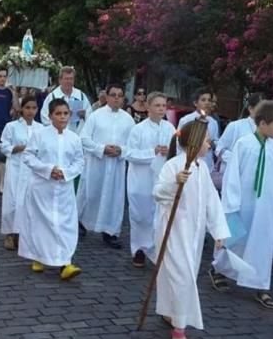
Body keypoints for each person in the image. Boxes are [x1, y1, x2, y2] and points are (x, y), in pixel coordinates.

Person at [153, 120, 230, 339]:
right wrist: (175, 182)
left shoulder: (202, 168)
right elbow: (157, 192)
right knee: (181, 278)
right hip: (173, 232)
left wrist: (218, 230)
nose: (210, 143)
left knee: (183, 277)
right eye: (207, 139)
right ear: (195, 144)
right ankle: (179, 330)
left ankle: (170, 311)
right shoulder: (173, 165)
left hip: (193, 235)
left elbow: (211, 202)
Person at [210, 100, 273, 309]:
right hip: (243, 203)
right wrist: (231, 205)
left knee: (262, 244)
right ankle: (219, 269)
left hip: (265, 206)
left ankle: (261, 285)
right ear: (262, 123)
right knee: (235, 240)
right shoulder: (244, 143)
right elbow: (232, 175)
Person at [16, 98, 85, 280]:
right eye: (58, 114)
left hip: (64, 188)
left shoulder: (74, 138)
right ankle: (38, 256)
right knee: (41, 222)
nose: (62, 117)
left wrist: (65, 173)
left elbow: (79, 161)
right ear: (50, 116)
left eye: (65, 113)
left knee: (65, 224)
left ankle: (65, 261)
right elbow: (29, 156)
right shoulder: (40, 135)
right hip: (42, 187)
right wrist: (47, 170)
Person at [76, 84, 136, 249]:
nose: (116, 98)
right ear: (107, 97)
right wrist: (102, 149)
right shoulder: (96, 116)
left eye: (120, 95)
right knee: (91, 194)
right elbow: (84, 138)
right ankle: (81, 222)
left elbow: (133, 144)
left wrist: (120, 150)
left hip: (116, 166)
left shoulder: (128, 120)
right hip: (97, 164)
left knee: (114, 199)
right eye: (113, 95)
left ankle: (110, 232)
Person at [125, 92, 176, 268]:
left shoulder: (170, 128)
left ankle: (156, 249)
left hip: (161, 178)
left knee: (158, 215)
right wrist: (152, 152)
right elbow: (129, 154)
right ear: (148, 107)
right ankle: (138, 249)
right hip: (141, 180)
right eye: (157, 105)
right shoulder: (138, 129)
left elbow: (175, 153)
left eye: (164, 105)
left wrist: (168, 151)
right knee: (141, 216)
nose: (161, 109)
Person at [0, 96, 43, 251]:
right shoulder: (11, 126)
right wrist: (17, 148)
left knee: (28, 201)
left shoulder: (41, 128)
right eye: (27, 108)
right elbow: (3, 145)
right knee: (12, 201)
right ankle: (10, 233)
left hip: (32, 171)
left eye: (34, 108)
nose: (30, 111)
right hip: (17, 167)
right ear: (22, 109)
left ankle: (23, 233)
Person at [216, 92, 264, 172]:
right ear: (250, 108)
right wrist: (236, 159)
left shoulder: (267, 130)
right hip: (233, 171)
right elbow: (219, 149)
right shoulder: (235, 126)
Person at [39, 66, 92, 134]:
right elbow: (44, 117)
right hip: (58, 135)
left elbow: (90, 116)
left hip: (78, 135)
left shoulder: (81, 95)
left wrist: (84, 115)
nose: (69, 81)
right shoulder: (52, 97)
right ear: (60, 80)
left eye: (71, 79)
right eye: (66, 79)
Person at [178, 89, 220, 172]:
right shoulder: (186, 120)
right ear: (195, 103)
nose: (207, 103)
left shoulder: (213, 122)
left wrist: (212, 143)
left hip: (207, 163)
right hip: (189, 162)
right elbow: (178, 142)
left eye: (209, 100)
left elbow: (216, 141)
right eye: (203, 100)